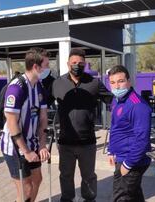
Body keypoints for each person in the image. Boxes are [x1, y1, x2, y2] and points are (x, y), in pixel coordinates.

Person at [51, 48, 112, 202]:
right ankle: (67, 198)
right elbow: (42, 104)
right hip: (65, 142)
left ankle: (89, 199)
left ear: (85, 64)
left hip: (88, 142)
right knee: (65, 175)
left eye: (80, 63)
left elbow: (112, 100)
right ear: (67, 64)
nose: (77, 65)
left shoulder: (94, 83)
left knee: (89, 176)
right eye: (74, 63)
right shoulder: (57, 83)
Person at [0, 47, 51, 202]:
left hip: (33, 143)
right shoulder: (16, 88)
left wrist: (42, 145)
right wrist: (26, 151)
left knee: (37, 179)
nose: (48, 69)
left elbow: (43, 118)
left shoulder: (39, 86)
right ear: (36, 67)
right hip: (15, 147)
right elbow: (11, 123)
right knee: (25, 189)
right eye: (46, 65)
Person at [107, 65, 152, 202]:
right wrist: (111, 150)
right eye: (113, 82)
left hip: (132, 160)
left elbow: (142, 139)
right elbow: (115, 127)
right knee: (134, 195)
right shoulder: (116, 100)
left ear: (129, 81)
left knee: (121, 197)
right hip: (120, 156)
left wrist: (128, 164)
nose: (117, 86)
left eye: (121, 81)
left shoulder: (138, 105)